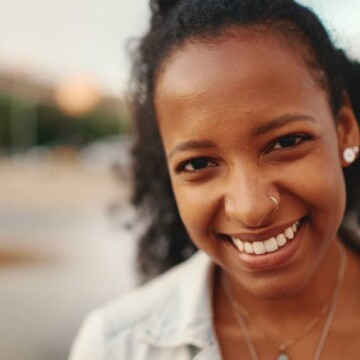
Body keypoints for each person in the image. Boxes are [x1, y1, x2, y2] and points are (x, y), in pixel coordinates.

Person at [68, 0, 360, 359]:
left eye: (286, 143)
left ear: (345, 129)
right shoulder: (117, 346)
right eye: (199, 163)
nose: (250, 209)